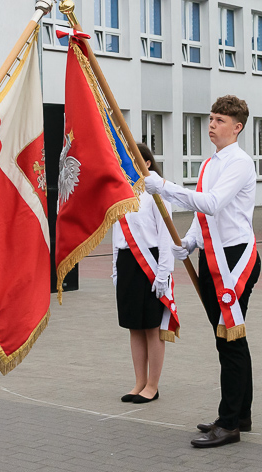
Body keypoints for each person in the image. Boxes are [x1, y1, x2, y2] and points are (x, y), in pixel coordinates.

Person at [144, 95, 261, 448]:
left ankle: (229, 423)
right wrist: (190, 242)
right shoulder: (211, 164)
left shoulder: (239, 163)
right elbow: (204, 214)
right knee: (229, 337)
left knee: (230, 340)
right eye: (211, 118)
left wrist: (164, 187)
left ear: (237, 127)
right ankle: (240, 414)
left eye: (220, 120)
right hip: (212, 256)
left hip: (235, 260)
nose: (212, 124)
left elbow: (213, 203)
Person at [111, 143, 174, 404]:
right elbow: (117, 236)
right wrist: (115, 270)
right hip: (128, 263)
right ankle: (138, 382)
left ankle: (153, 385)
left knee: (151, 327)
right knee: (133, 327)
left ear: (147, 163)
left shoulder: (158, 192)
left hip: (150, 263)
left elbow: (166, 236)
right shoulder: (121, 193)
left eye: (133, 161)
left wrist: (163, 274)